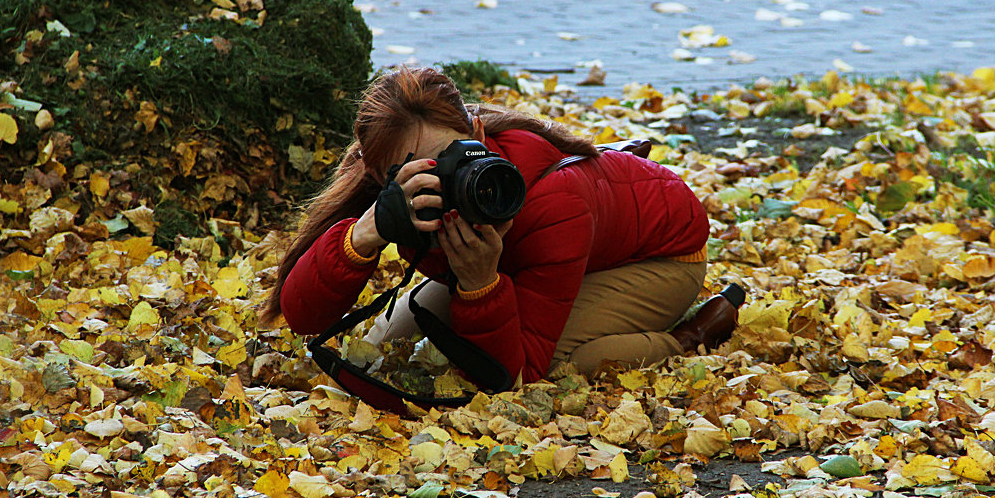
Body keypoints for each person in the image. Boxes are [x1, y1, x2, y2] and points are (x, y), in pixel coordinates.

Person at [262, 66, 742, 388]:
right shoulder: (389, 181)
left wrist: (479, 284)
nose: (445, 178)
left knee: (561, 367)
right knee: (383, 350)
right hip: (543, 257)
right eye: (424, 171)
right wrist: (365, 232)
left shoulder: (556, 200)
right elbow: (303, 318)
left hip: (658, 257)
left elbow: (516, 373)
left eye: (452, 156)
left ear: (476, 131)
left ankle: (684, 338)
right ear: (379, 174)